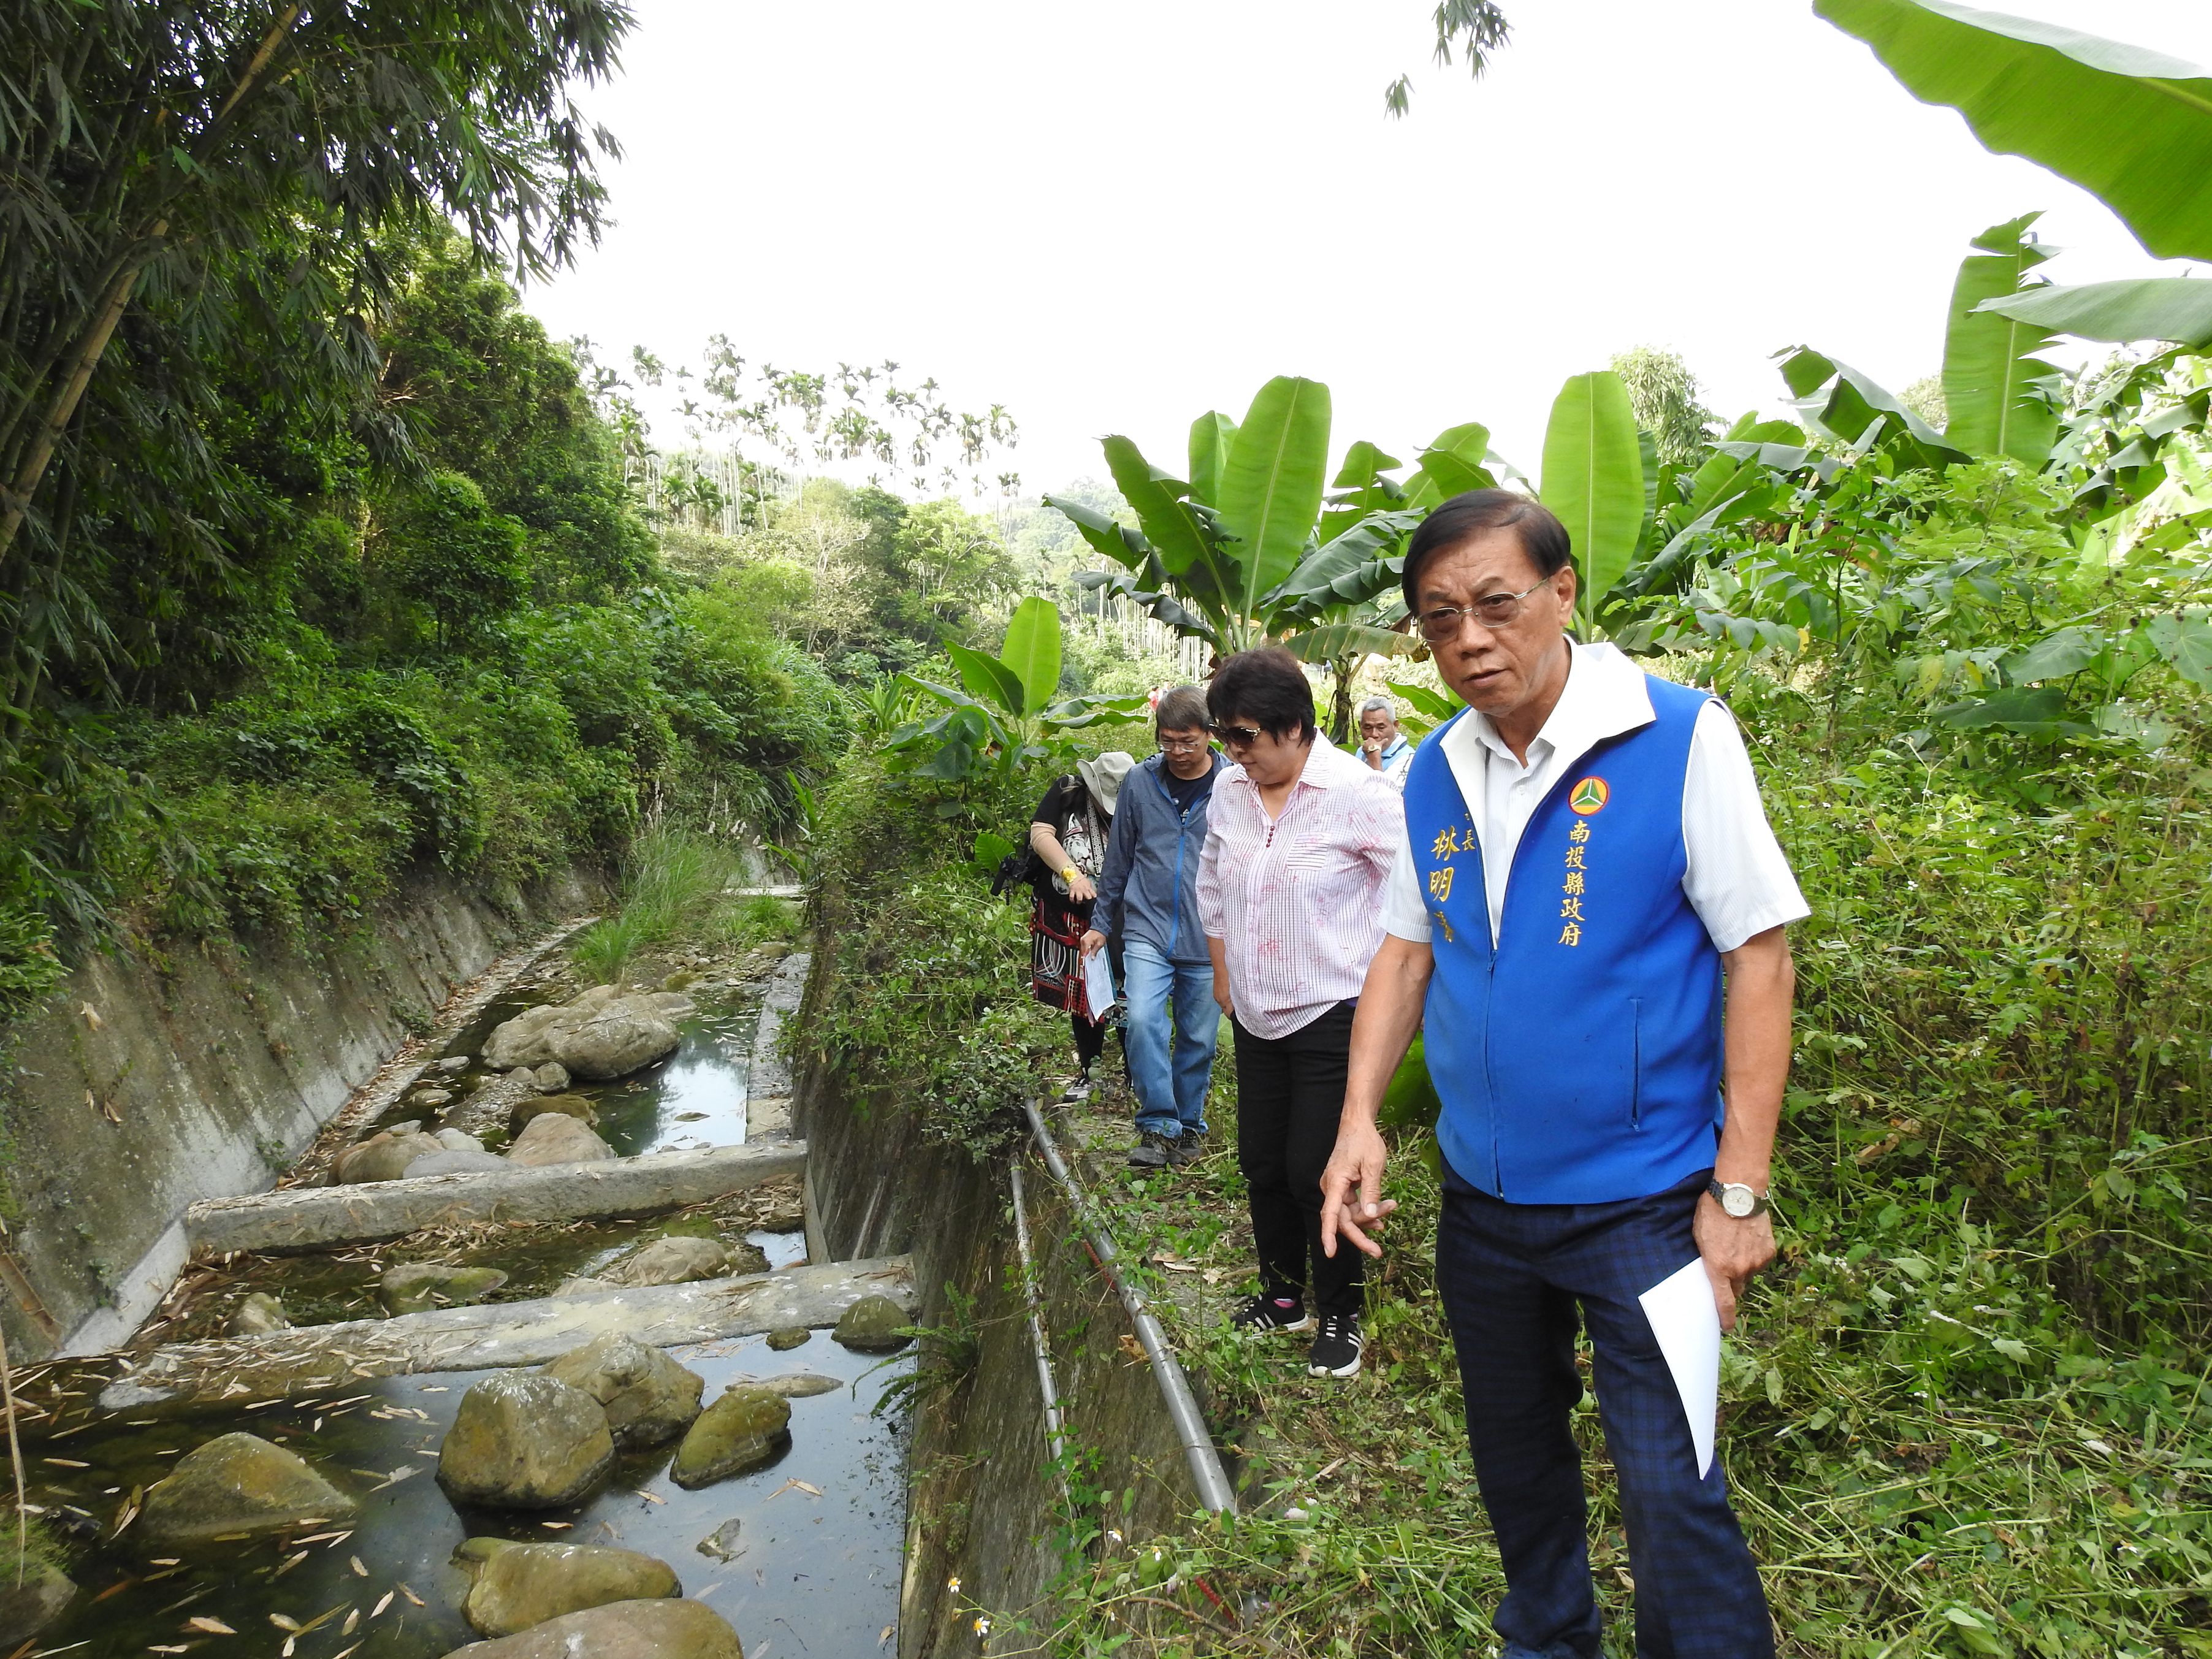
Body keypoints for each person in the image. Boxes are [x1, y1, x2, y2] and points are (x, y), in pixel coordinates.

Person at [1318, 488, 1806, 1659]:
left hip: (1642, 1206)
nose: (1469, 641)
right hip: (1484, 1208)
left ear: (1561, 590)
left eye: (1495, 604)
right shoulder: (1429, 768)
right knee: (1517, 1467)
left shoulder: (1678, 735)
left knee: (1668, 1487)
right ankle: (1547, 1642)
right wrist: (1357, 1122)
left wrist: (1737, 1191)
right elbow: (1402, 949)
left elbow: (1759, 954)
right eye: (1438, 621)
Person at [1196, 648, 1402, 1379]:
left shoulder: (1358, 793)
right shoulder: (1229, 793)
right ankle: (1282, 1298)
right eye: (1228, 736)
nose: (1235, 752)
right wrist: (1224, 977)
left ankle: (1341, 1312)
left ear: (1294, 727)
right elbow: (1212, 887)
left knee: (1313, 1168)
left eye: (1246, 736)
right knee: (1259, 1162)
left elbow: (1416, 896)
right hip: (1254, 1011)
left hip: (1332, 1010)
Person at [1083, 687, 1224, 1170]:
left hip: (1211, 935)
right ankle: (1157, 1122)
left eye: (1189, 742)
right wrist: (1102, 924)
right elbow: (1119, 858)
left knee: (1198, 1039)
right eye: (1168, 743)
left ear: (1210, 734)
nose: (1179, 753)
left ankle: (1188, 1125)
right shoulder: (1141, 783)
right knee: (1141, 1020)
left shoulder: (1235, 784)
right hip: (1147, 928)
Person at [1026, 752, 1134, 1090]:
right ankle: (1091, 1073)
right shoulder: (1067, 793)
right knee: (1083, 995)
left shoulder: (1141, 802)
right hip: (1072, 916)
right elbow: (1041, 835)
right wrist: (1073, 875)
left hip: (1122, 918)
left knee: (1128, 992)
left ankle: (1135, 1076)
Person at [1356, 696, 1414, 787]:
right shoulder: (1361, 751)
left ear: (1395, 725)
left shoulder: (1408, 759)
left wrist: (1374, 756)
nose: (1374, 734)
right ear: (1360, 726)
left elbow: (1385, 796)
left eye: (1381, 728)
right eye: (1368, 728)